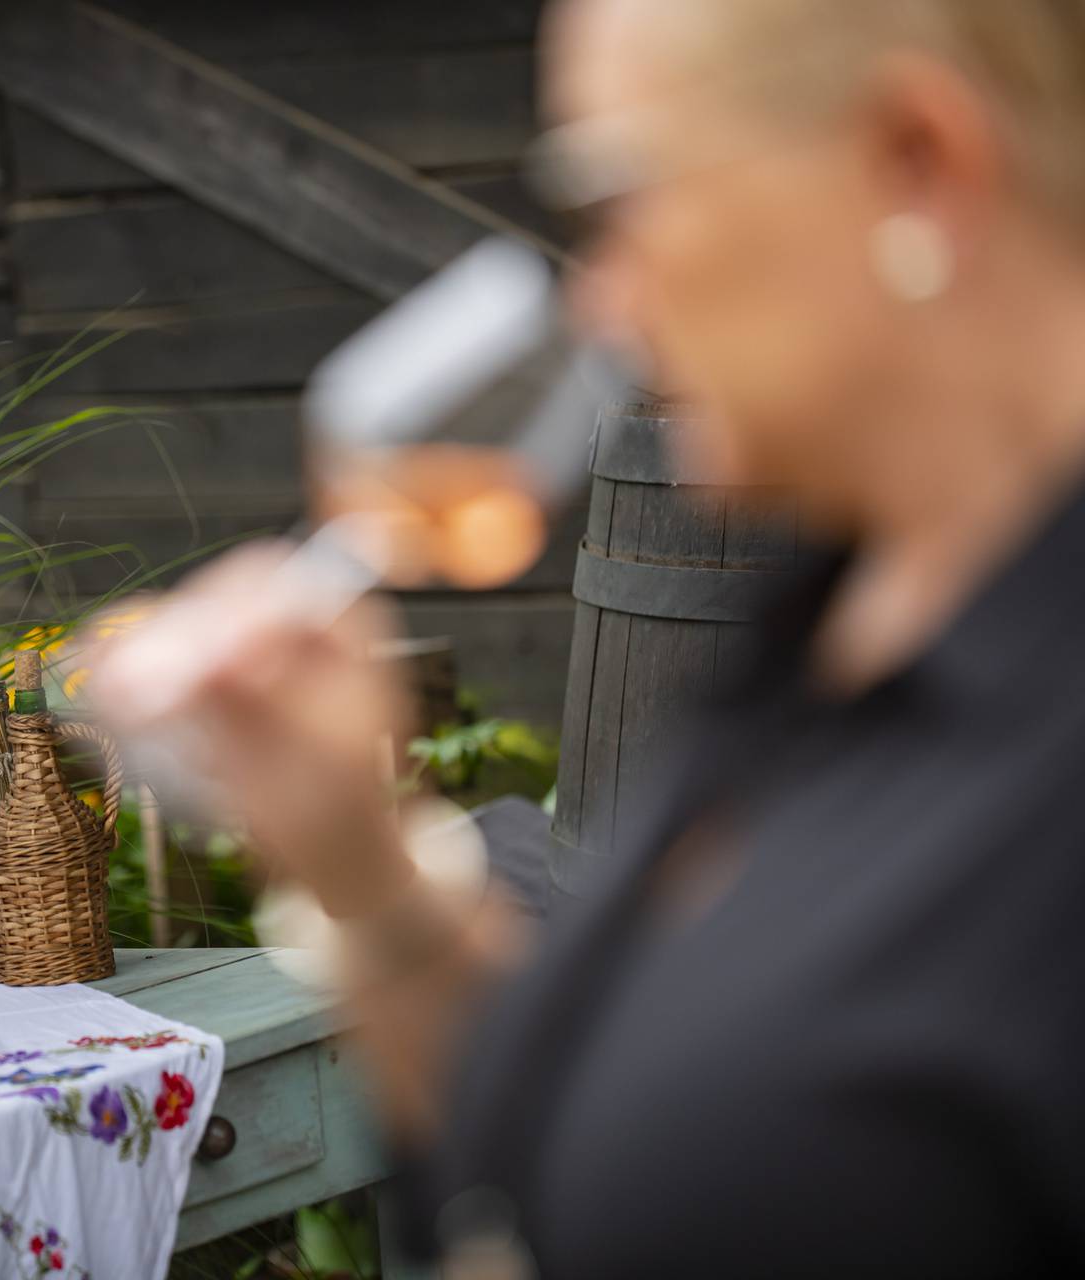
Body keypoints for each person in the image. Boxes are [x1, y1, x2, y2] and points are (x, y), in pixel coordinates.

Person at [89, 1, 1085, 1274]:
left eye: (620, 201)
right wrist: (359, 860)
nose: (606, 309)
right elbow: (572, 1160)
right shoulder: (827, 624)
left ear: (916, 159)